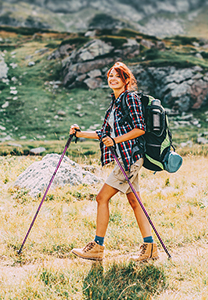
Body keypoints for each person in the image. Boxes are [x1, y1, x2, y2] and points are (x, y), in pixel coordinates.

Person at [69, 61, 158, 262]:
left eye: (117, 75)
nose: (112, 78)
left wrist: (116, 140)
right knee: (135, 202)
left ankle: (97, 247)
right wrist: (79, 133)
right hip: (127, 159)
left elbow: (140, 128)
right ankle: (150, 247)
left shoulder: (130, 98)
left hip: (130, 159)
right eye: (110, 75)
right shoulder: (116, 103)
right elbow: (105, 134)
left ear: (126, 79)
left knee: (101, 198)